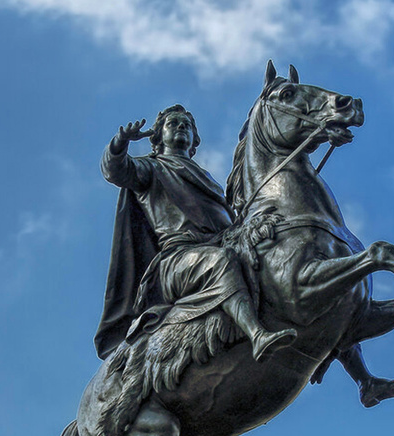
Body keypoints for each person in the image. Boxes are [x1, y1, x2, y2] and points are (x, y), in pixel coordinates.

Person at [95, 104, 296, 363]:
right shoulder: (150, 168)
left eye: (186, 125)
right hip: (177, 260)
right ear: (157, 137)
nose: (181, 127)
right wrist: (120, 142)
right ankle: (257, 335)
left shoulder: (207, 178)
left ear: (194, 141)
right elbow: (115, 170)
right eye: (173, 124)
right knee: (221, 261)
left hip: (220, 244)